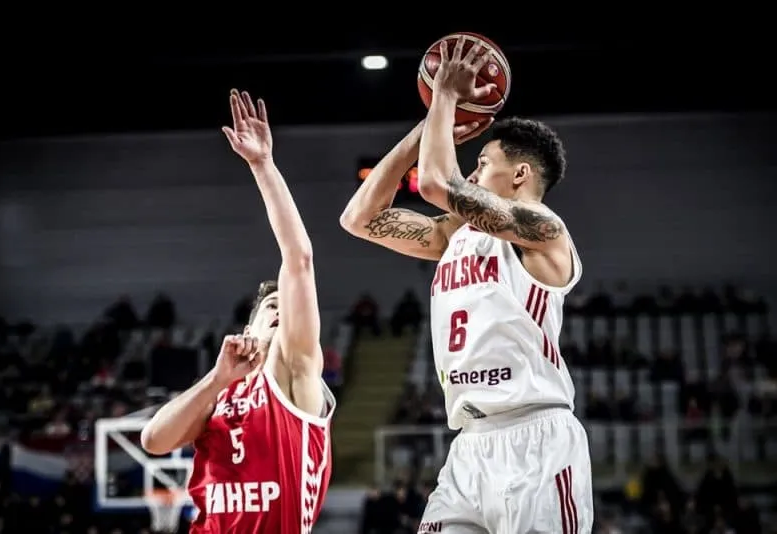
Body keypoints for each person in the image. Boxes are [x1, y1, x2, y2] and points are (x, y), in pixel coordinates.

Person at [340, 36, 592, 533]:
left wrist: (445, 99)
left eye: (483, 164)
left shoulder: (545, 231)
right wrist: (425, 128)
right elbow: (358, 218)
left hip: (536, 440)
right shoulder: (455, 234)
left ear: (520, 174)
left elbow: (437, 184)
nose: (473, 173)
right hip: (469, 446)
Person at [141, 89, 335, 533]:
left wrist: (263, 166)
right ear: (249, 327)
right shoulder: (220, 393)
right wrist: (217, 379)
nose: (283, 310)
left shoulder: (295, 370)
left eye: (287, 304)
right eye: (272, 306)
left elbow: (299, 259)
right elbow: (154, 440)